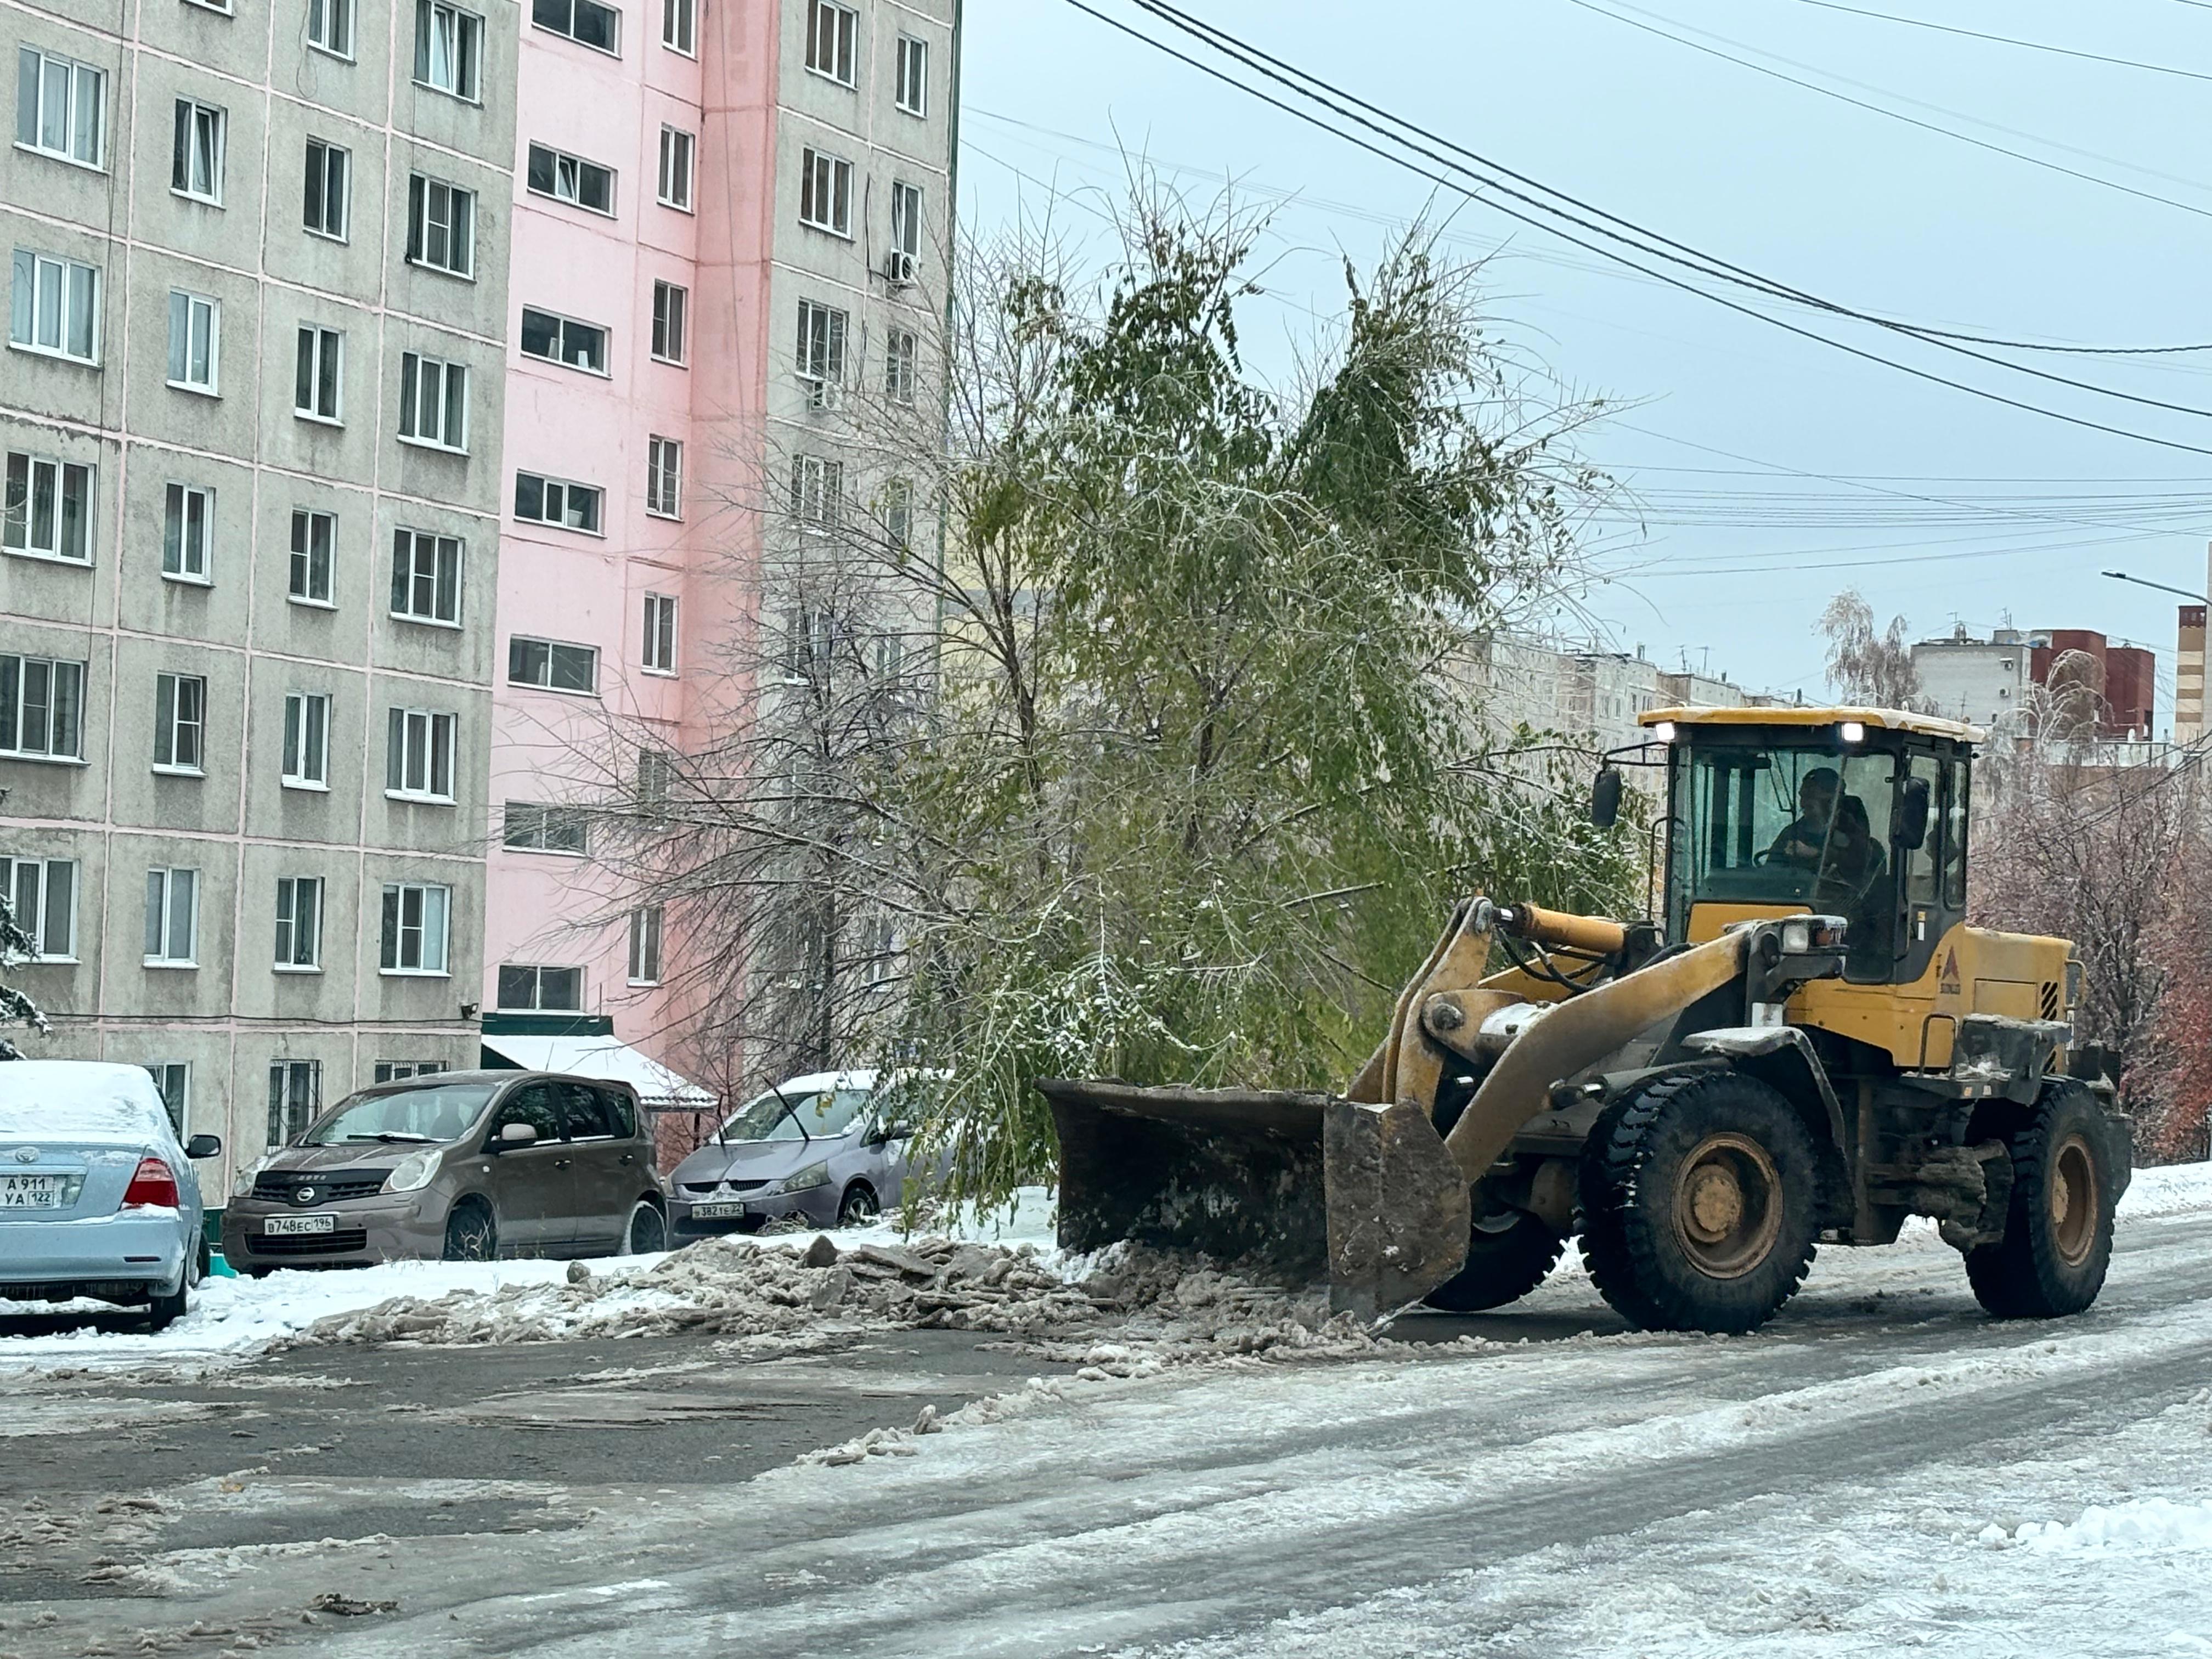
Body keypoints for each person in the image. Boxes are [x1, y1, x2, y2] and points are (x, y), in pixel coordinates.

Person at [1767, 766, 1841, 868]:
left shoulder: (1849, 831)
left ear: (1831, 800)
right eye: (1802, 797)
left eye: (1811, 796)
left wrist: (1815, 853)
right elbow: (1770, 872)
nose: (1803, 803)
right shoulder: (1791, 834)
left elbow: (1857, 865)